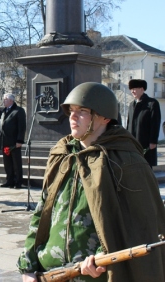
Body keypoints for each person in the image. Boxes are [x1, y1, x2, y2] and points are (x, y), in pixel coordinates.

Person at [17, 82, 165, 282]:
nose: (72, 117)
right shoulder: (62, 155)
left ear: (104, 117)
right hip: (50, 274)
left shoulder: (126, 161)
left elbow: (140, 225)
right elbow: (43, 211)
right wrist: (28, 265)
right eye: (71, 110)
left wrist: (100, 255)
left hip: (94, 275)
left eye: (82, 111)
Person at [126, 79, 161, 168]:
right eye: (131, 89)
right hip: (132, 144)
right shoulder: (131, 105)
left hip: (146, 145)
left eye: (134, 89)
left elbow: (155, 123)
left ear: (142, 89)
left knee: (146, 170)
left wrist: (153, 141)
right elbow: (128, 124)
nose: (132, 91)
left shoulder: (152, 104)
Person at [0, 93, 26, 189]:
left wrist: (20, 140)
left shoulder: (19, 111)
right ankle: (9, 180)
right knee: (7, 163)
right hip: (5, 141)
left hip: (14, 141)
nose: (4, 101)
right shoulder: (3, 111)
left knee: (16, 163)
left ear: (11, 100)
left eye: (5, 99)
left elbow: (21, 127)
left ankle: (18, 181)